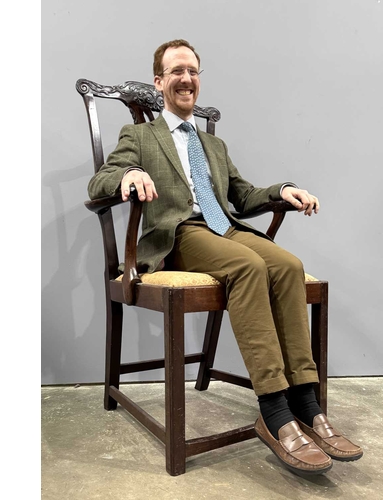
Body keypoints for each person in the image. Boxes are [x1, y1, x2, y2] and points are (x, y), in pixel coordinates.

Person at [88, 39, 363, 477]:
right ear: (159, 82)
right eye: (177, 71)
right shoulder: (139, 136)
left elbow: (243, 195)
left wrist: (282, 191)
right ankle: (274, 409)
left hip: (225, 228)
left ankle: (306, 402)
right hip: (180, 234)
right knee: (247, 266)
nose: (186, 79)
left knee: (288, 265)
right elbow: (99, 182)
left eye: (193, 71)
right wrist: (129, 172)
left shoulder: (213, 146)